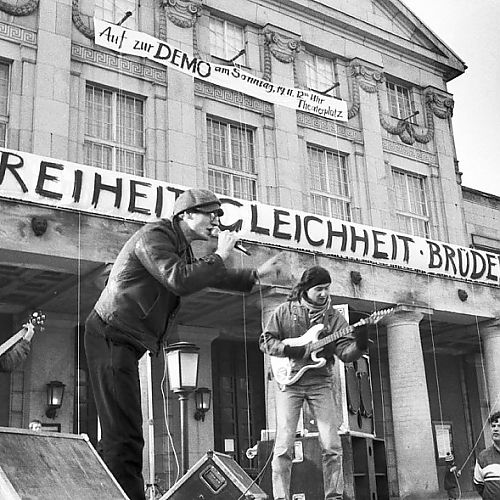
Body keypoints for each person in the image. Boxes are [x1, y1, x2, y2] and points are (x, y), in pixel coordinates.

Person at [85, 188, 282, 500]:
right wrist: (222, 254)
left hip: (123, 340)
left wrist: (254, 275)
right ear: (186, 214)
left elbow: (206, 275)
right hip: (110, 333)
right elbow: (179, 279)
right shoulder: (155, 236)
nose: (217, 221)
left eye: (219, 215)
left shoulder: (179, 244)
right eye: (211, 213)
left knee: (124, 433)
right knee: (124, 436)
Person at [259, 266, 370, 500]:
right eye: (319, 289)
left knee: (332, 444)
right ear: (306, 289)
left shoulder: (334, 319)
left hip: (320, 382)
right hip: (289, 381)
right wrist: (290, 349)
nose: (324, 293)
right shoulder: (285, 311)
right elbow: (266, 341)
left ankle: (334, 496)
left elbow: (345, 354)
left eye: (327, 289)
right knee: (283, 445)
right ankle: (281, 497)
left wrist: (359, 345)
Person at [474, 411, 500, 499]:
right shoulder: (483, 457)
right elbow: (478, 484)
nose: (495, 429)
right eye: (493, 426)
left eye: (499, 426)